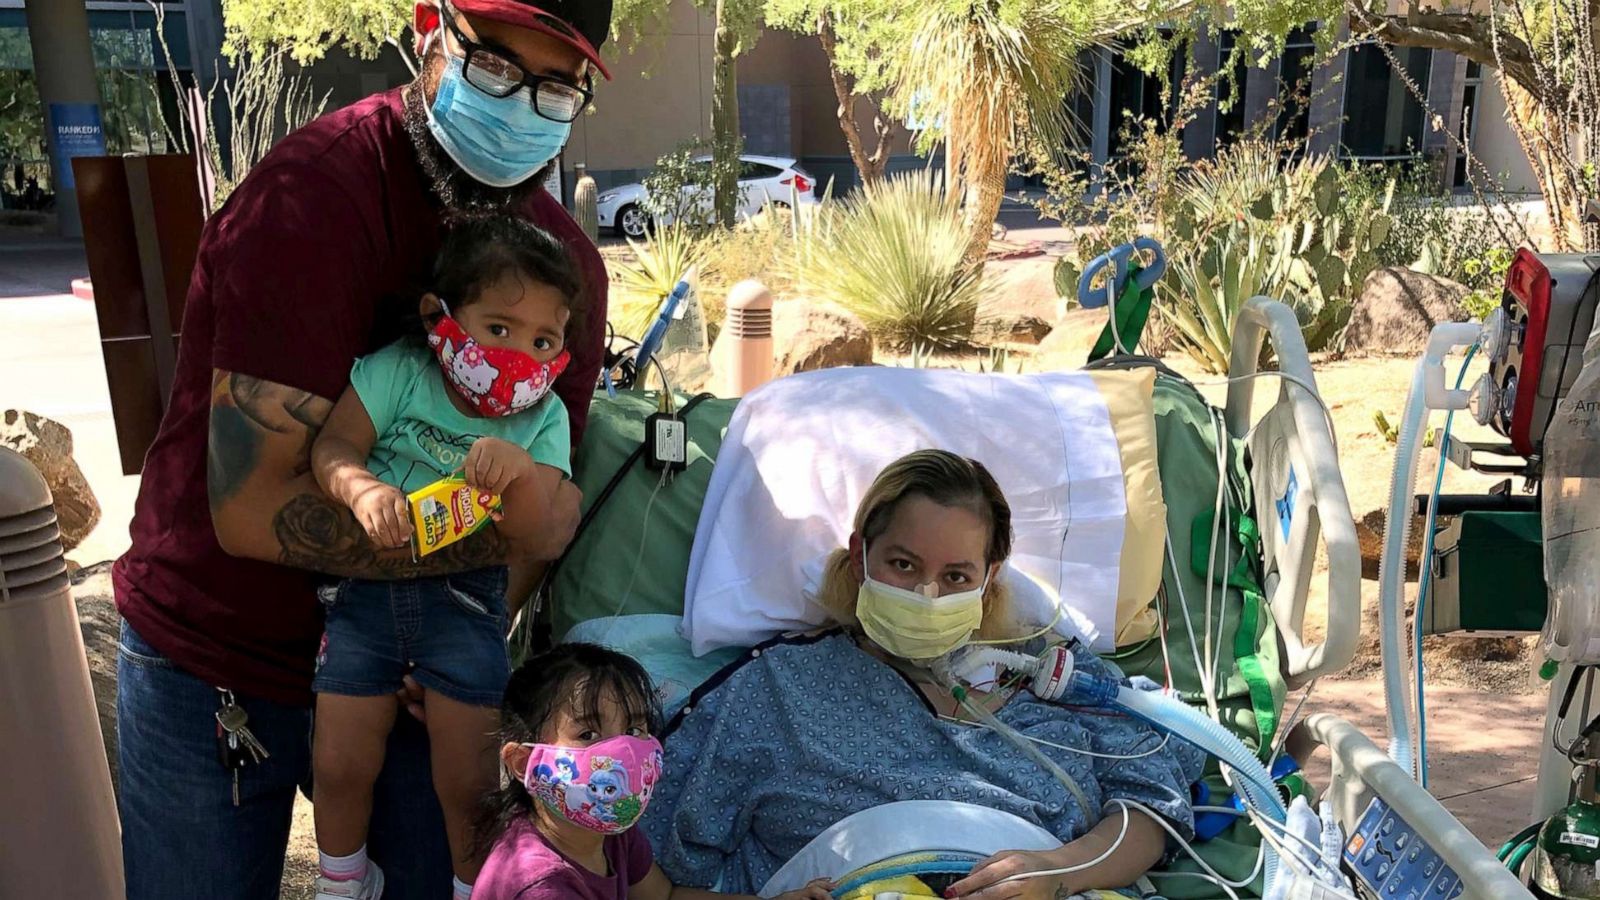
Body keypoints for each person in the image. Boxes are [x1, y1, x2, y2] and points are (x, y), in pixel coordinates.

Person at [111, 1, 614, 897]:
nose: (518, 104)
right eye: (494, 65)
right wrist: (501, 539)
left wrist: (461, 629)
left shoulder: (564, 272)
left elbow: (547, 506)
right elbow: (253, 512)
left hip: (424, 678)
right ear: (433, 31)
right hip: (218, 658)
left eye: (554, 87)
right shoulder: (314, 200)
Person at [641, 450, 1206, 898]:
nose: (927, 594)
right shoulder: (777, 688)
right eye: (903, 565)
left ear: (990, 578)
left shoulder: (1054, 674)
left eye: (957, 575)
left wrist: (1059, 871)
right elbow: (647, 859)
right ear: (861, 555)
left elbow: (1153, 806)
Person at [308, 215, 581, 900]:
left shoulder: (541, 419)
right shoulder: (399, 371)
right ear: (442, 316)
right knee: (337, 765)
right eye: (498, 329)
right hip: (365, 598)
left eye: (542, 340)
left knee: (466, 783)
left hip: (466, 607)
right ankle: (343, 883)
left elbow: (531, 534)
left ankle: (472, 888)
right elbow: (333, 446)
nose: (518, 355)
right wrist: (361, 486)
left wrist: (518, 472)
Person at [473, 643, 835, 900]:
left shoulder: (611, 829)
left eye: (633, 730)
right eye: (588, 734)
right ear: (524, 764)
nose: (621, 753)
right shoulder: (541, 886)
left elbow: (665, 895)